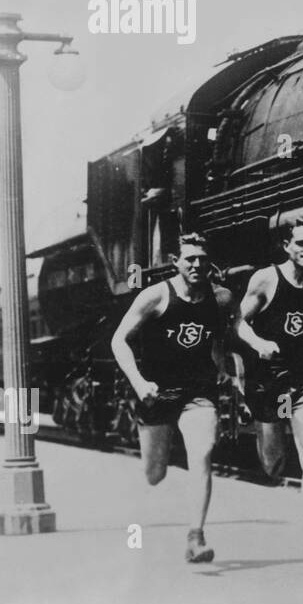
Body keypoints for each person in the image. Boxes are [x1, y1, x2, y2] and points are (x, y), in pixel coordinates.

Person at [110, 232, 237, 563]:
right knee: (154, 475)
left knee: (203, 453)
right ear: (176, 262)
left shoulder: (221, 299)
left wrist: (224, 369)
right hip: (157, 393)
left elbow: (217, 338)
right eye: (190, 259)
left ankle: (196, 536)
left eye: (202, 259)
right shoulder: (155, 296)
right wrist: (139, 383)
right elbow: (118, 341)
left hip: (199, 392)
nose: (197, 264)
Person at [236, 219, 303, 558]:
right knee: (274, 464)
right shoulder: (266, 279)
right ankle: (266, 438)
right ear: (287, 246)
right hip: (272, 384)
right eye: (301, 244)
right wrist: (259, 341)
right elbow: (238, 322)